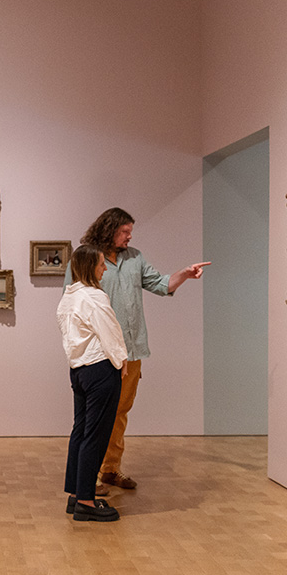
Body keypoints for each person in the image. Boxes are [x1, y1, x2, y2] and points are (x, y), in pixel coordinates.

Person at [65, 208, 209, 494]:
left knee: (119, 413)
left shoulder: (135, 258)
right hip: (100, 355)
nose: (130, 237)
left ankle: (110, 469)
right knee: (95, 417)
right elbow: (72, 303)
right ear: (109, 230)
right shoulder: (85, 258)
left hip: (131, 352)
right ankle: (87, 478)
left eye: (130, 232)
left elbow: (159, 284)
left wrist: (184, 274)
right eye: (125, 232)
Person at [57, 245, 128, 522]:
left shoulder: (68, 298)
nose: (105, 268)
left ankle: (76, 494)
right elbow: (111, 333)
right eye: (101, 264)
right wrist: (121, 362)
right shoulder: (94, 297)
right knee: (96, 435)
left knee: (80, 431)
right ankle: (86, 501)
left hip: (78, 371)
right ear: (90, 267)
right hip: (100, 370)